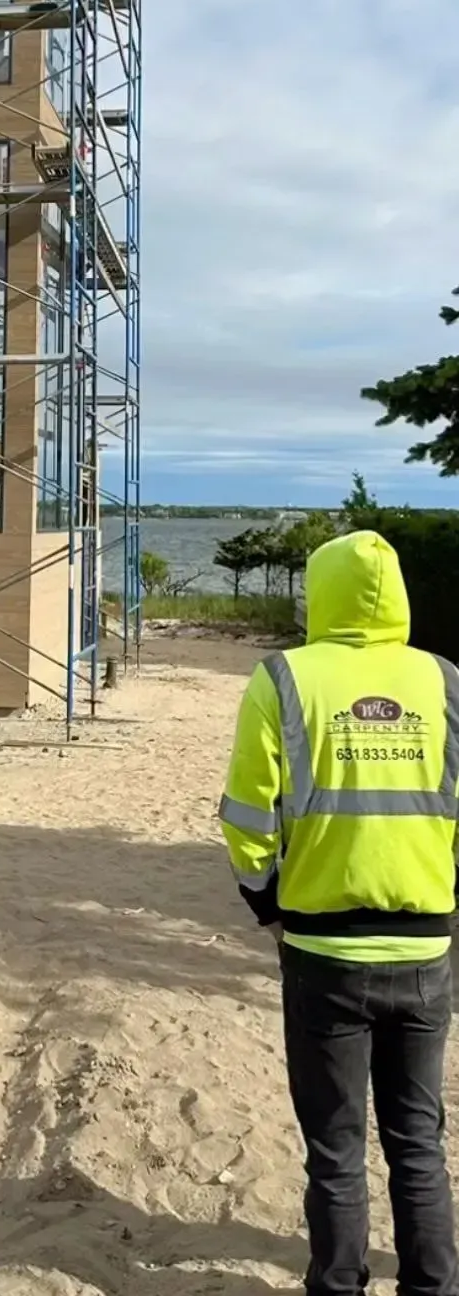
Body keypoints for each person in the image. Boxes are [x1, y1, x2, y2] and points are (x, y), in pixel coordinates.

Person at [220, 529, 459, 1296]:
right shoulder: (446, 682)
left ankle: (338, 1286)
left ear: (317, 591)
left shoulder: (284, 678)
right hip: (425, 948)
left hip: (323, 949)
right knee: (419, 1141)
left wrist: (264, 898)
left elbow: (247, 818)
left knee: (336, 1147)